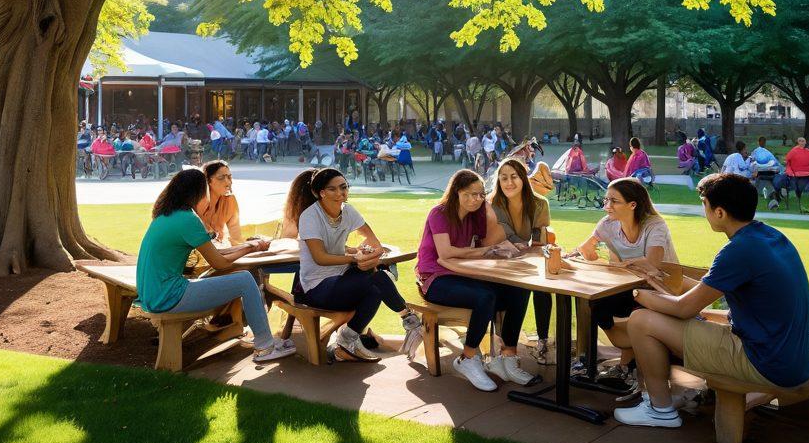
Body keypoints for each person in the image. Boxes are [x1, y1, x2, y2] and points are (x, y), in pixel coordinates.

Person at [613, 173, 809, 429]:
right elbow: (713, 301)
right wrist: (663, 285)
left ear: (719, 212)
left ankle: (660, 409)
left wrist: (639, 294)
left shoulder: (738, 250)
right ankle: (672, 396)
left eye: (704, 204)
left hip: (766, 363)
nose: (704, 211)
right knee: (686, 319)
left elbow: (683, 308)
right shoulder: (770, 237)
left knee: (641, 321)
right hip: (794, 359)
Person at [136, 168, 296, 364]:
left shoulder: (167, 215)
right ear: (198, 193)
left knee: (235, 277)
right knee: (245, 280)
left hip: (153, 293)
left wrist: (249, 246)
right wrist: (249, 248)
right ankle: (265, 347)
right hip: (168, 296)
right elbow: (219, 262)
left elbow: (214, 252)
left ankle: (260, 339)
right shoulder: (187, 219)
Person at [416, 168, 535, 390]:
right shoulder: (439, 213)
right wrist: (486, 251)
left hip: (462, 275)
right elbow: (446, 253)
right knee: (485, 297)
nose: (475, 199)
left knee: (518, 290)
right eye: (469, 194)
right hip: (434, 279)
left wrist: (504, 239)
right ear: (456, 192)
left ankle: (507, 356)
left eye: (480, 194)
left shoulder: (476, 214)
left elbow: (494, 237)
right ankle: (467, 358)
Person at [296, 167, 422, 362]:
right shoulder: (309, 216)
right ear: (321, 193)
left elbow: (375, 244)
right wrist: (355, 258)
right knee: (376, 279)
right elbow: (320, 257)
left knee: (378, 283)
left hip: (342, 279)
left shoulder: (348, 211)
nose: (340, 193)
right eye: (332, 189)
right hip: (317, 287)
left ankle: (348, 340)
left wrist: (368, 256)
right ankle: (412, 323)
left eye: (343, 187)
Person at [568, 177, 678, 391]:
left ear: (632, 204)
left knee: (632, 309)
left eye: (614, 201)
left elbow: (653, 264)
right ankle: (618, 361)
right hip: (629, 286)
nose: (606, 206)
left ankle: (629, 364)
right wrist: (586, 256)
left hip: (661, 288)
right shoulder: (607, 224)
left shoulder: (655, 225)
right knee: (596, 302)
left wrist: (621, 265)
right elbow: (584, 249)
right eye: (606, 200)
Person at [490, 158, 554, 366]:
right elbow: (503, 236)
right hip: (499, 257)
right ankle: (505, 347)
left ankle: (543, 341)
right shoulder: (493, 203)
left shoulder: (539, 203)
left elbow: (538, 238)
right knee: (519, 287)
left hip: (526, 255)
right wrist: (523, 248)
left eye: (514, 177)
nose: (509, 183)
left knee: (542, 286)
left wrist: (531, 250)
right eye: (504, 178)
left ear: (523, 179)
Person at [773, 137, 809, 209]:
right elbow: (788, 165)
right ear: (798, 142)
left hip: (806, 176)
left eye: (803, 141)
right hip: (794, 176)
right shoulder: (792, 152)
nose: (801, 142)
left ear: (805, 142)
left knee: (801, 188)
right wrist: (790, 173)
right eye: (800, 141)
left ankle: (799, 203)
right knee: (786, 184)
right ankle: (786, 201)